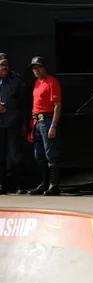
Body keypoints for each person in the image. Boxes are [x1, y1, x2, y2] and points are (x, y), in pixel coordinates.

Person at [28, 56, 62, 196]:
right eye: (33, 68)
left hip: (47, 120)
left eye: (38, 67)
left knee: (51, 154)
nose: (35, 70)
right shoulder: (37, 83)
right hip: (36, 122)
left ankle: (54, 185)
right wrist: (31, 125)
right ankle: (43, 183)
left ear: (44, 68)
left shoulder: (52, 82)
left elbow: (57, 106)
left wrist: (53, 126)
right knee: (39, 155)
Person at [0, 54, 28, 195]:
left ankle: (19, 185)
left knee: (15, 155)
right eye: (1, 65)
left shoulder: (16, 80)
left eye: (6, 64)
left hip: (13, 124)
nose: (4, 67)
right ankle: (1, 186)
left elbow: (24, 103)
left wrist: (24, 122)